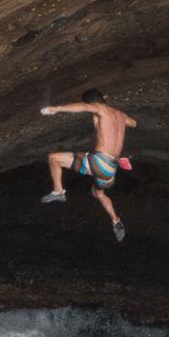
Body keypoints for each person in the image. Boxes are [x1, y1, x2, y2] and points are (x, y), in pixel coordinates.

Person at [39, 88, 136, 242]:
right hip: (110, 171)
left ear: (93, 103)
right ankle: (116, 220)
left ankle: (59, 191)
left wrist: (55, 109)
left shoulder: (99, 109)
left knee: (54, 158)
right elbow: (133, 123)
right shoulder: (121, 115)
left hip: (99, 162)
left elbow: (84, 107)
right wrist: (112, 112)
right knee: (99, 193)